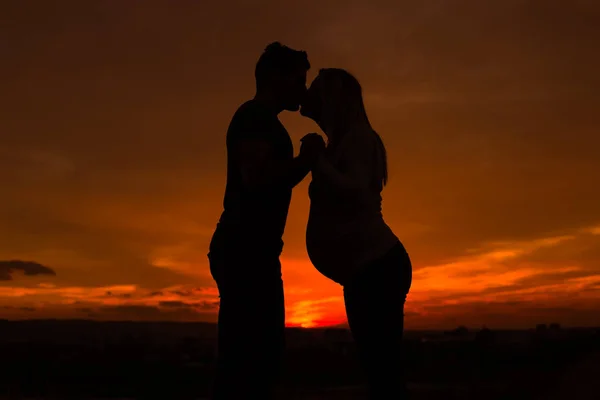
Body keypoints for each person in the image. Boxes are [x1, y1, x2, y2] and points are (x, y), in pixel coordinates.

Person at [207, 42, 324, 399]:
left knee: (253, 356)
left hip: (251, 250)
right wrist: (306, 160)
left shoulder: (261, 121)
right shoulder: (255, 118)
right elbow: (256, 178)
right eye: (298, 80)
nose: (302, 89)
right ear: (276, 77)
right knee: (253, 358)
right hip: (246, 250)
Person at [300, 68, 413, 399]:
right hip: (364, 272)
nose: (310, 95)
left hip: (376, 268)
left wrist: (317, 161)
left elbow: (358, 191)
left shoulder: (359, 138)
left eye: (317, 91)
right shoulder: (341, 143)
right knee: (378, 369)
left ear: (333, 100)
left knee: (383, 371)